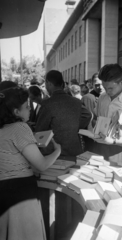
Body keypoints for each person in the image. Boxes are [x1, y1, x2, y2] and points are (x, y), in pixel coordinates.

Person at [0, 87, 61, 240]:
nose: (29, 110)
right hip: (20, 193)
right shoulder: (19, 128)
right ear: (16, 112)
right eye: (27, 107)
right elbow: (42, 165)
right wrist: (57, 151)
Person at [35, 70, 92, 161]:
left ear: (48, 83)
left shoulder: (47, 104)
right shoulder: (76, 102)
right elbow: (87, 115)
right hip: (74, 150)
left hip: (54, 153)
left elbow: (40, 130)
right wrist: (73, 126)